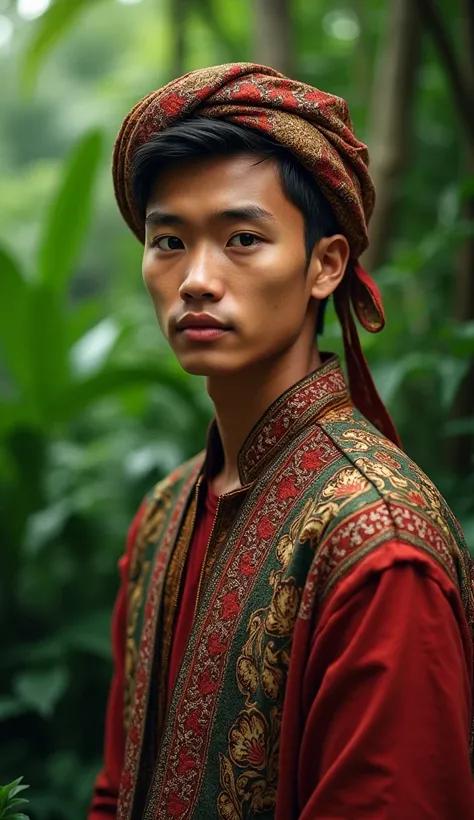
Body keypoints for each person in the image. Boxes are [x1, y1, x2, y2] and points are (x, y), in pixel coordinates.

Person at [89, 63, 474, 820]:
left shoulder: (380, 547)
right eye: (168, 241)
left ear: (325, 265)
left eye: (241, 238)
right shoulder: (164, 515)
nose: (196, 278)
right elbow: (113, 793)